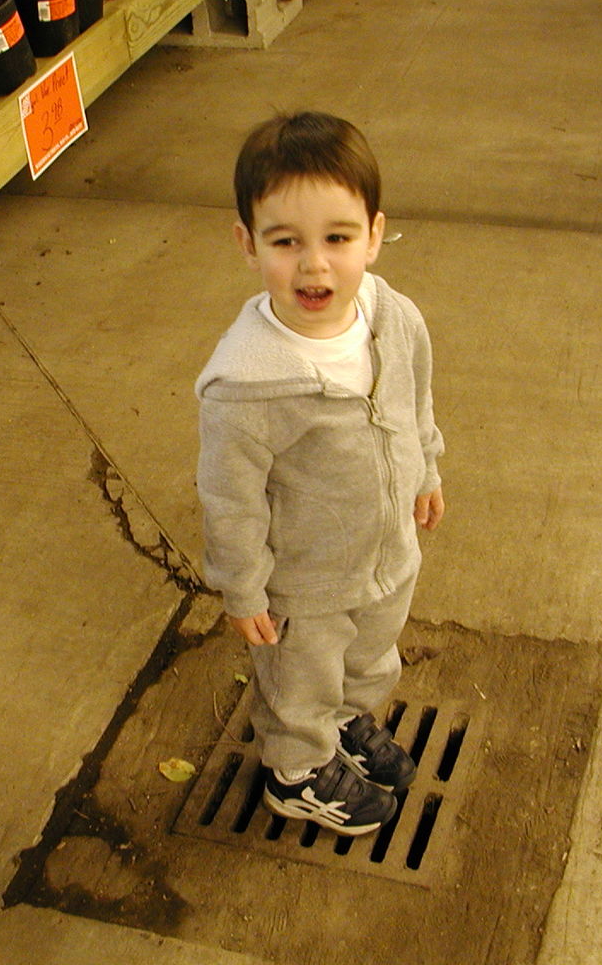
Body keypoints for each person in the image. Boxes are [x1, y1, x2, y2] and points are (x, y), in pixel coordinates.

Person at [195, 111, 445, 836]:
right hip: (302, 585)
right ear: (247, 244)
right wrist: (241, 587)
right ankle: (295, 768)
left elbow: (413, 396)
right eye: (285, 242)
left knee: (370, 658)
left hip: (386, 554)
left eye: (337, 238)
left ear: (372, 232)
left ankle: (344, 724)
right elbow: (230, 499)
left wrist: (425, 465)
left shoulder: (391, 316)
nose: (314, 265)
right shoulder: (244, 385)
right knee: (298, 682)